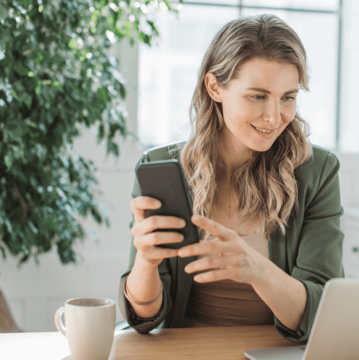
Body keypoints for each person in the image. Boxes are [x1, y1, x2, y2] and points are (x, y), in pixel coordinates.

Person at [118, 14, 344, 343]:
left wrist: (256, 269)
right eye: (257, 96)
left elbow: (323, 313)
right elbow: (145, 319)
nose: (274, 116)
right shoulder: (163, 168)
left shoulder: (316, 171)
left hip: (275, 353)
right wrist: (146, 262)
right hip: (187, 351)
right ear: (215, 87)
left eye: (288, 98)